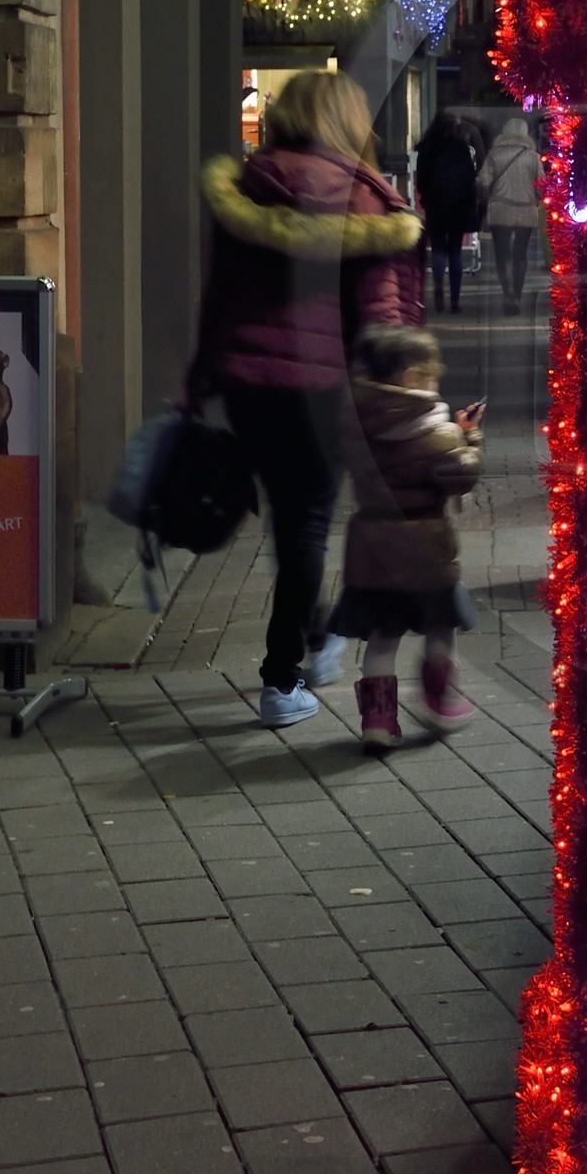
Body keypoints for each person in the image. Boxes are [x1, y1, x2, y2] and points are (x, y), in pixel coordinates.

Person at [193, 71, 423, 728]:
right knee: (308, 522)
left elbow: (219, 297)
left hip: (245, 383)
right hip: (323, 388)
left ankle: (317, 639)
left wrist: (201, 379)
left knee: (290, 521)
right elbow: (381, 318)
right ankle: (282, 675)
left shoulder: (247, 187)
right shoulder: (362, 195)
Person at [330, 324, 482, 750]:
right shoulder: (436, 434)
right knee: (439, 626)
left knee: (383, 635)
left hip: (371, 547)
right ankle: (439, 700)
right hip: (425, 548)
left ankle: (377, 721)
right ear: (412, 376)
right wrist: (469, 435)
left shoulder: (356, 422)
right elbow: (461, 474)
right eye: (431, 372)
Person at [415, 109, 483, 315]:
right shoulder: (460, 146)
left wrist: (426, 197)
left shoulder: (427, 148)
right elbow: (470, 178)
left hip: (435, 205)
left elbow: (421, 180)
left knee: (437, 249)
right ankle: (454, 300)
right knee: (454, 251)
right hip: (458, 205)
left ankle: (437, 289)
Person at [477, 112, 543, 316]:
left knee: (502, 255)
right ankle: (518, 295)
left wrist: (486, 203)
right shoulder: (533, 157)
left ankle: (507, 293)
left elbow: (483, 183)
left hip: (500, 210)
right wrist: (535, 199)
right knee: (520, 255)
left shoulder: (494, 155)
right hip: (526, 210)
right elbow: (542, 187)